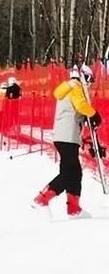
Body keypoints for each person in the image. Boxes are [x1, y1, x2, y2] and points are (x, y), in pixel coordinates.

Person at [32, 65, 101, 218]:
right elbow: (81, 106)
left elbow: (75, 111)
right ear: (84, 77)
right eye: (89, 80)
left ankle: (74, 208)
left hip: (65, 136)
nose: (90, 84)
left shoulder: (68, 88)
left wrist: (86, 120)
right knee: (70, 172)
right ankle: (42, 199)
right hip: (67, 137)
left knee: (74, 172)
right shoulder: (76, 87)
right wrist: (94, 114)